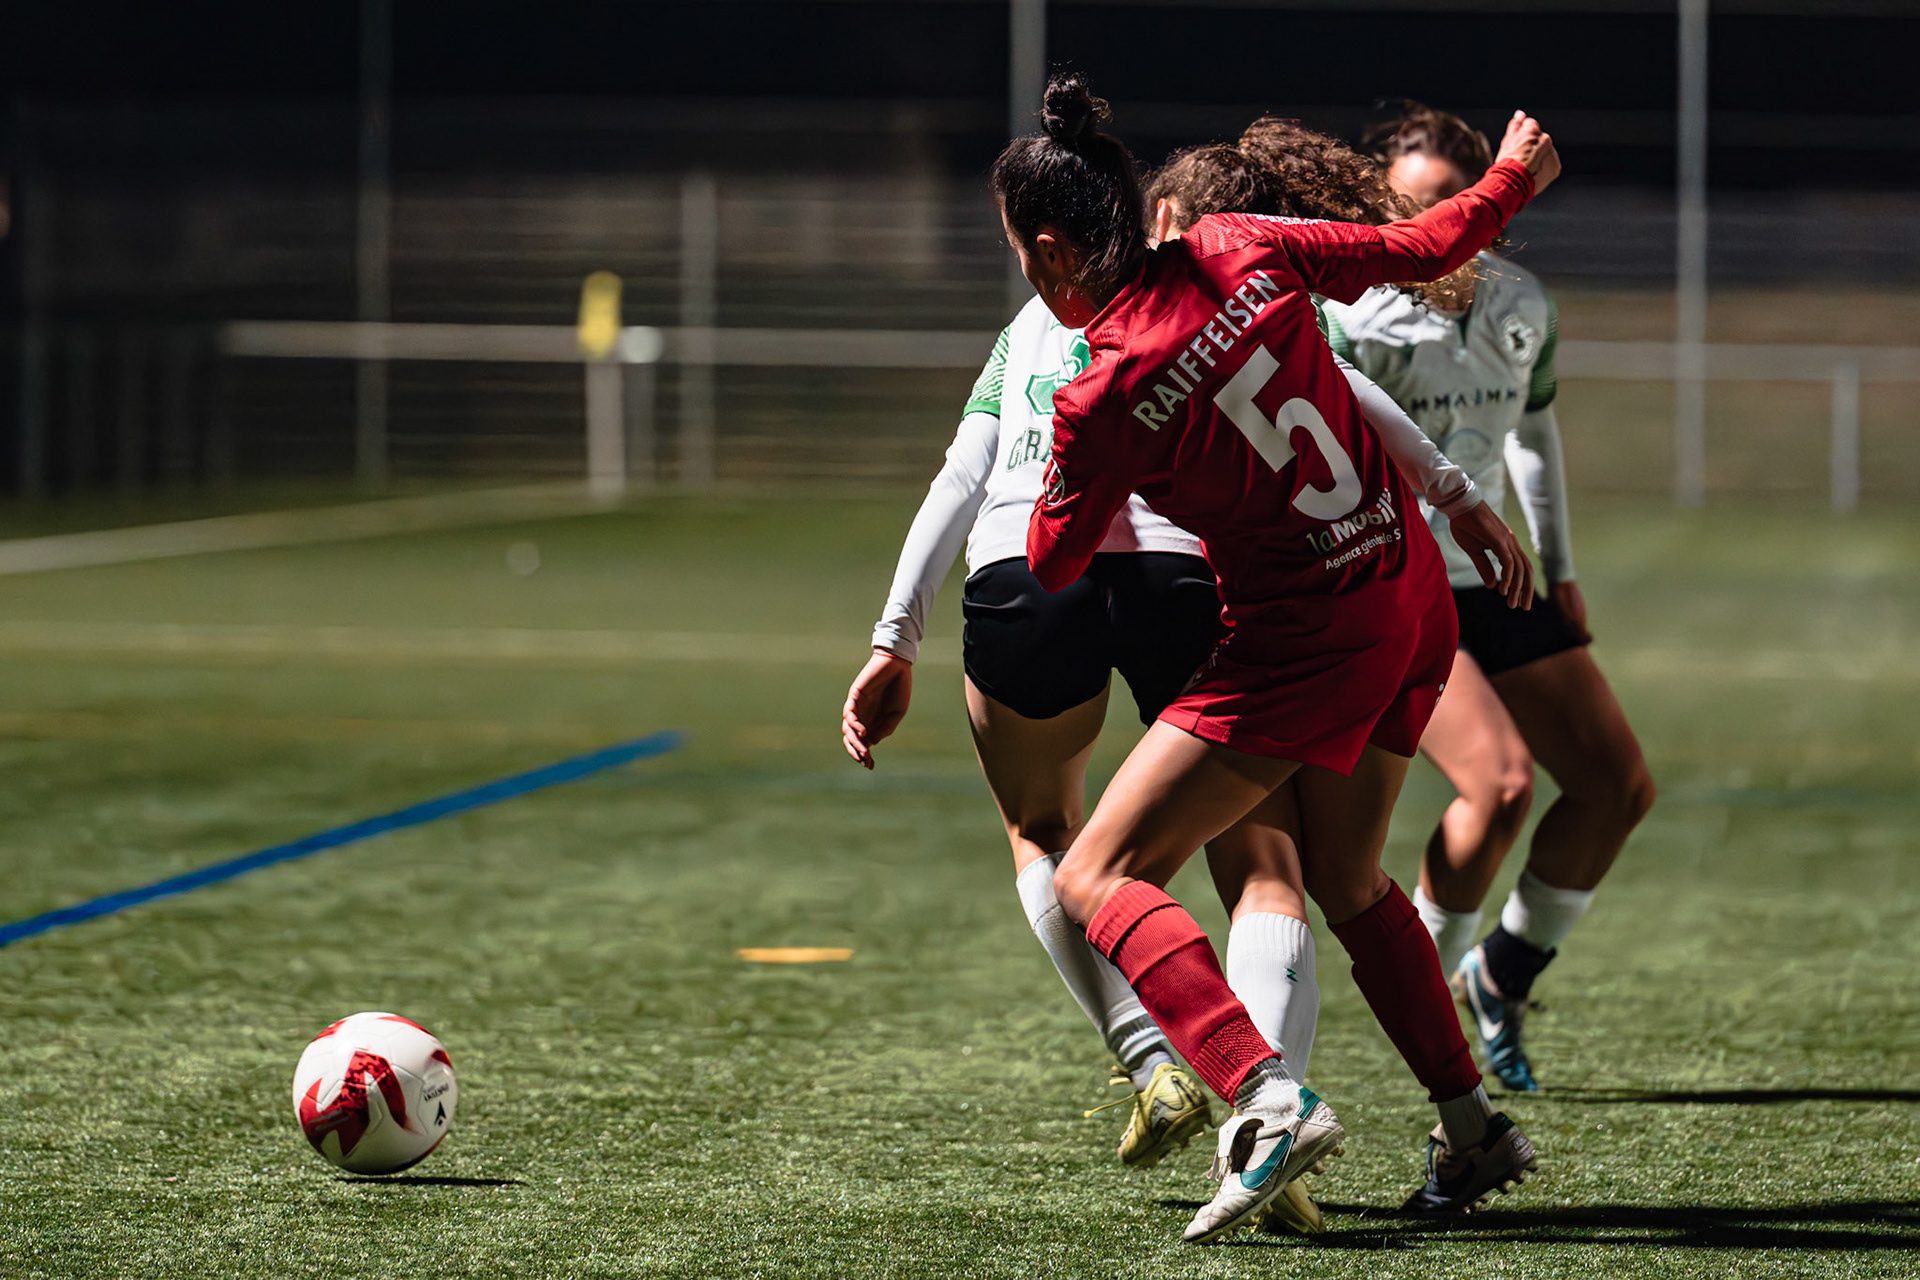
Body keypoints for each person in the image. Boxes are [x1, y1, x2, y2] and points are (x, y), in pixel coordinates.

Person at [841, 132, 1507, 1238]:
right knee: (1298, 870)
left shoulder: (1077, 348)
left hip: (1241, 617)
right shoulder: (1250, 265)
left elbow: (990, 491)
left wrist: (893, 634)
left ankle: (1221, 1084)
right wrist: (1454, 487)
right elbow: (1373, 341)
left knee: (1069, 851)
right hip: (1378, 586)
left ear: (1063, 246)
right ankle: (1455, 1121)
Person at [996, 73, 1557, 1240]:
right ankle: (1472, 1129)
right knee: (1349, 879)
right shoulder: (1240, 242)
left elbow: (1052, 557)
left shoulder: (1103, 386)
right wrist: (1513, 175)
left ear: (1052, 255)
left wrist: (1073, 440)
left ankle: (1264, 1094)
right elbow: (1421, 244)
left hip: (1308, 643)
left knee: (1096, 872)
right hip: (1408, 603)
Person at [1318, 101, 1657, 1091]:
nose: (1427, 230)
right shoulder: (1349, 313)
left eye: (1448, 206)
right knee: (1501, 783)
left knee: (1617, 784)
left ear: (1488, 210)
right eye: (1408, 206)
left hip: (1499, 575)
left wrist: (1561, 569)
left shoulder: (1521, 303)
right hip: (1402, 584)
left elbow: (1533, 436)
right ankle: (1420, 1009)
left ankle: (1498, 976)